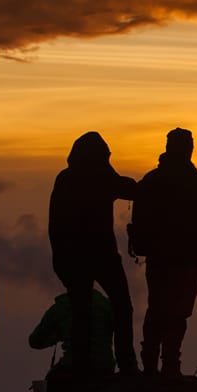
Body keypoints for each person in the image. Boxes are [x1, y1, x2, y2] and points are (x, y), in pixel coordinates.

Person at [48, 131, 138, 377]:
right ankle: (127, 363)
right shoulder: (101, 176)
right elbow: (128, 188)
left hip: (72, 258)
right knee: (122, 306)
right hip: (102, 255)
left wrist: (60, 260)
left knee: (81, 311)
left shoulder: (65, 179)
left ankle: (80, 366)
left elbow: (54, 225)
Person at [131, 127, 197, 376]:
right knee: (178, 312)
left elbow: (139, 221)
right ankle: (170, 364)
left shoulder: (151, 180)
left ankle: (150, 365)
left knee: (156, 307)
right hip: (187, 260)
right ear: (190, 149)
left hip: (159, 258)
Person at [28, 289, 115, 392]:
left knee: (50, 381)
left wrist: (56, 337)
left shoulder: (61, 306)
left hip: (73, 367)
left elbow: (34, 341)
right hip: (105, 367)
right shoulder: (105, 303)